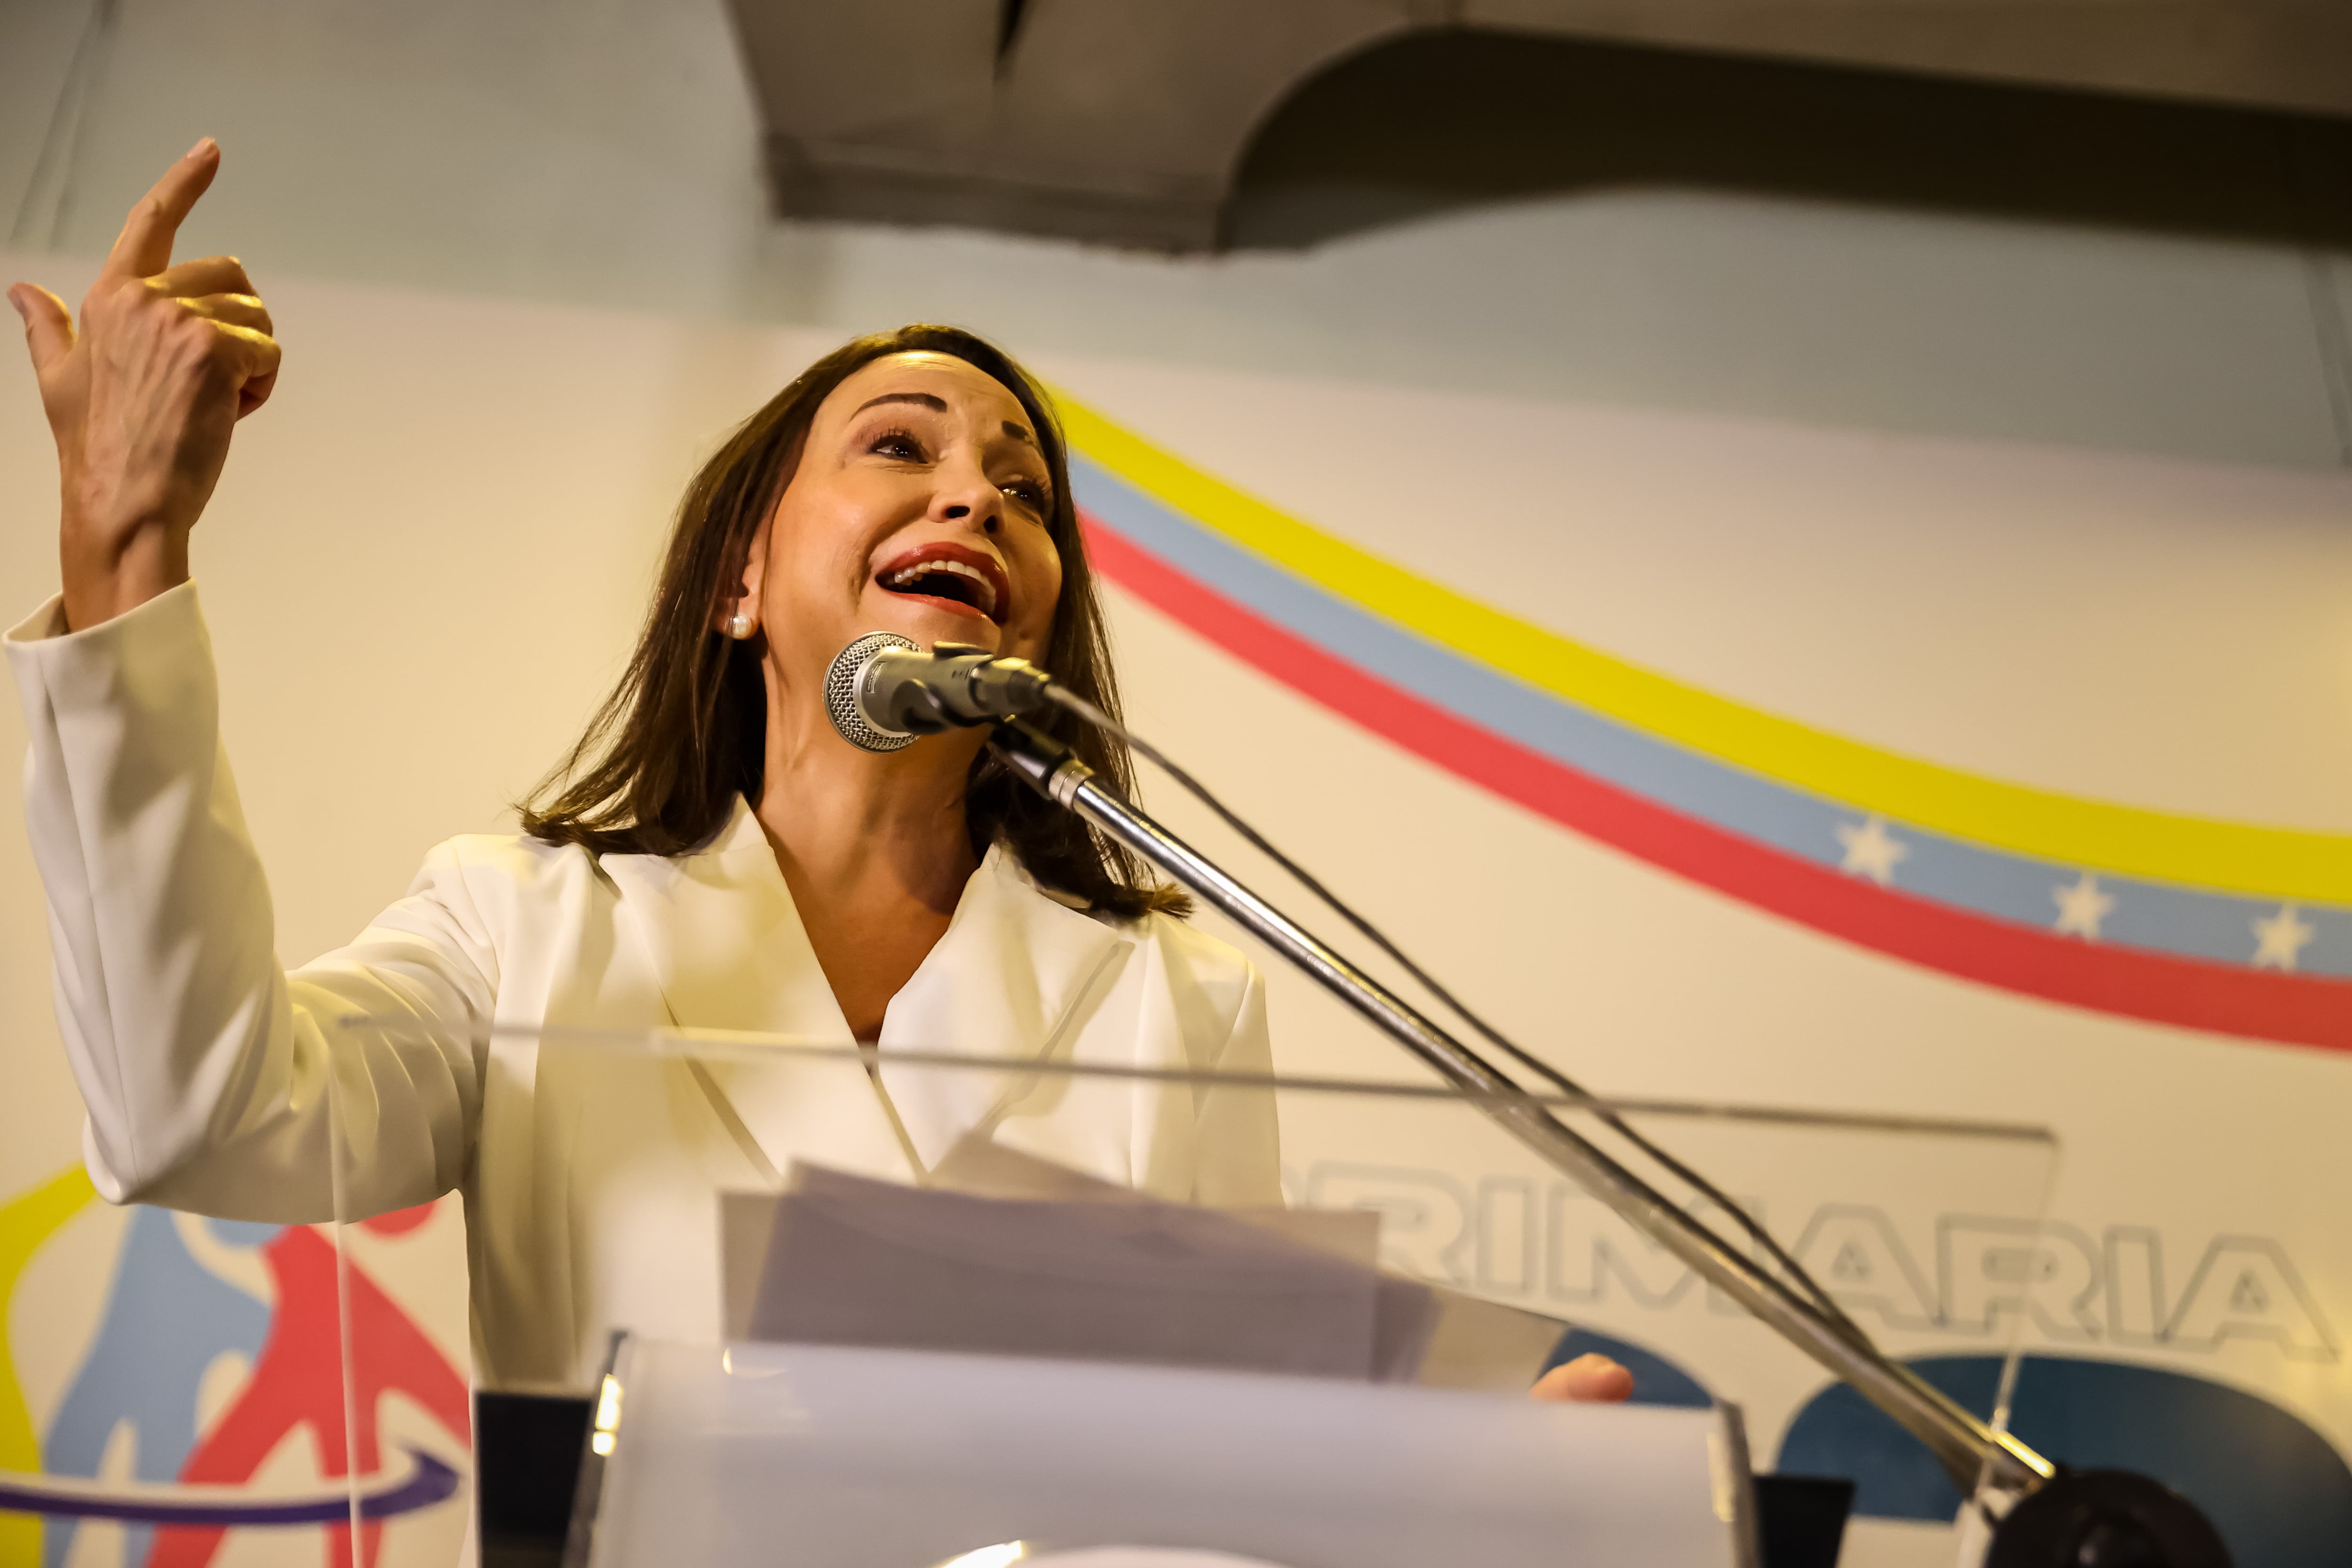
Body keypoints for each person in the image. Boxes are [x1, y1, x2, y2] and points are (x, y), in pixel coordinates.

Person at [7, 141, 1631, 1404]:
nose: (978, 501)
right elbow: (192, 1115)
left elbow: (1208, 1472)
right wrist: (124, 546)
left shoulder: (1177, 992)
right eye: (900, 447)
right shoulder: (525, 927)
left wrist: (1463, 1494)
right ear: (738, 583)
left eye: (1024, 491)